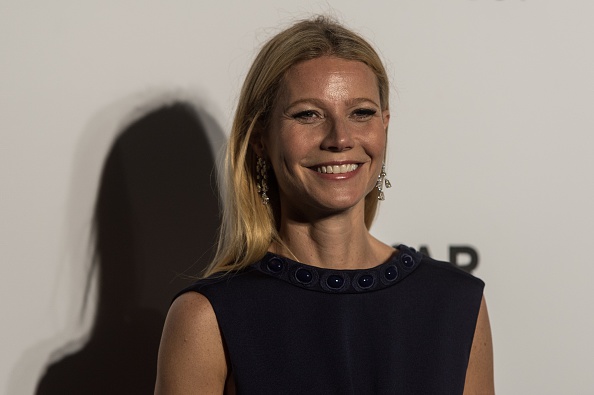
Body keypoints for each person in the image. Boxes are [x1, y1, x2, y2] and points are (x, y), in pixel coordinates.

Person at [155, 16, 494, 394]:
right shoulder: (207, 318)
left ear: (384, 125)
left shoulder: (456, 302)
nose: (340, 138)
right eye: (308, 115)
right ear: (260, 139)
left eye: (361, 113)